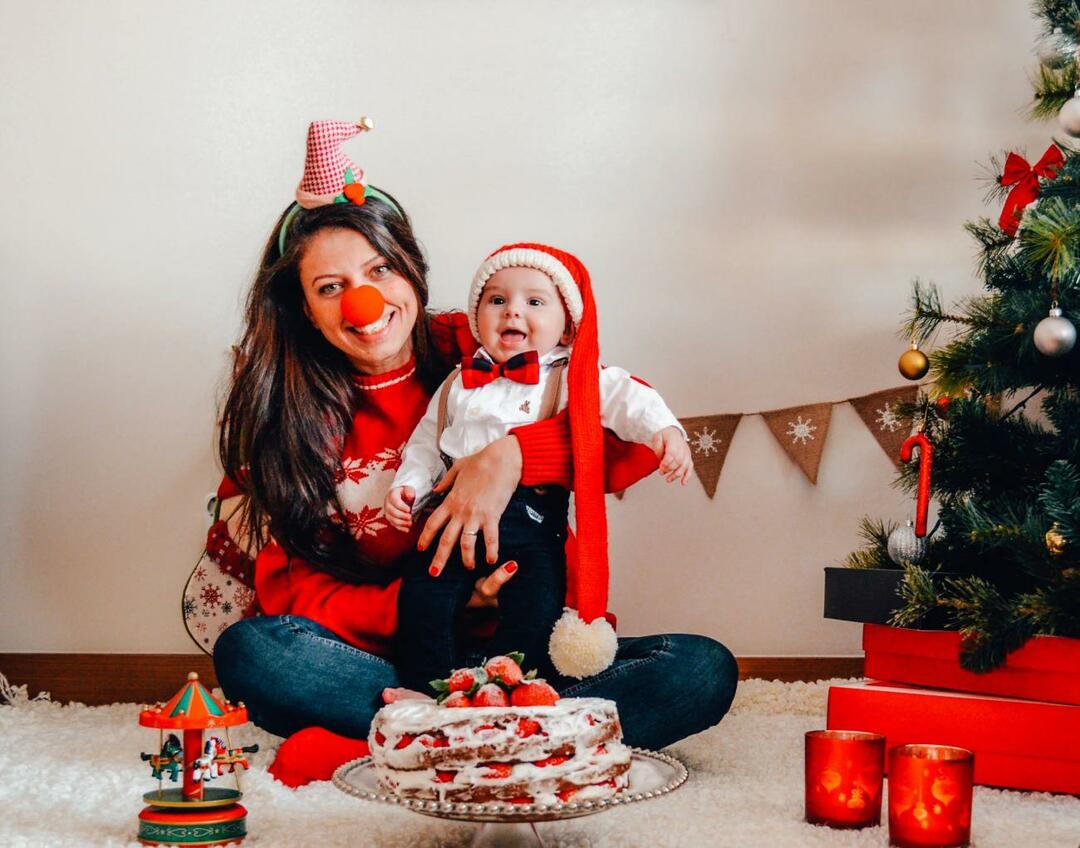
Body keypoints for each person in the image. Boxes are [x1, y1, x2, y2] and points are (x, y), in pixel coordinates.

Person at [211, 120, 738, 787]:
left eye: (378, 271)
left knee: (702, 667)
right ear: (304, 309)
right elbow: (293, 592)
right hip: (390, 657)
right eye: (330, 286)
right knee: (255, 652)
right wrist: (440, 605)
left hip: (529, 648)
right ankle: (514, 738)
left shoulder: (482, 342)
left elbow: (621, 448)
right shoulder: (283, 410)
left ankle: (414, 739)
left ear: (411, 272)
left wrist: (512, 457)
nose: (364, 302)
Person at [388, 243, 691, 693]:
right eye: (497, 300)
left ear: (567, 326)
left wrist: (665, 430)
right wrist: (408, 487)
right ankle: (425, 688)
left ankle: (512, 689)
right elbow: (424, 444)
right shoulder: (457, 380)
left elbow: (629, 397)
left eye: (534, 302)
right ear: (478, 319)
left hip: (530, 521)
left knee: (536, 606)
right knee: (422, 596)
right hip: (450, 513)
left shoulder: (573, 377)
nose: (513, 312)